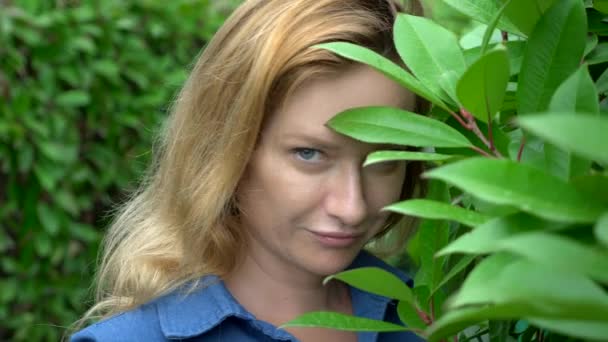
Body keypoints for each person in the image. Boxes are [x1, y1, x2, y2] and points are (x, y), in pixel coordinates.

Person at [71, 0, 427, 341]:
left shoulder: (425, 319)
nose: (352, 207)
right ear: (227, 151)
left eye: (385, 157)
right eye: (309, 153)